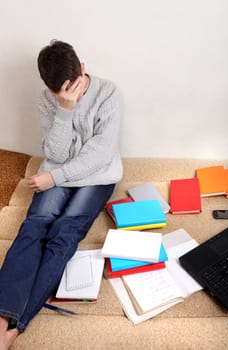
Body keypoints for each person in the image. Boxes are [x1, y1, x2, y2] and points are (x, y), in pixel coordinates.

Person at [0, 40, 122, 349]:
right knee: (33, 226)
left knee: (64, 232)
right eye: (58, 93)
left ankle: (18, 324)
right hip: (56, 172)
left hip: (95, 176)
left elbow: (98, 155)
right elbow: (54, 151)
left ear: (82, 68)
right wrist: (64, 111)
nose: (67, 96)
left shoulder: (108, 93)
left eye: (73, 88)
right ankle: (2, 317)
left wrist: (55, 177)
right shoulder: (48, 99)